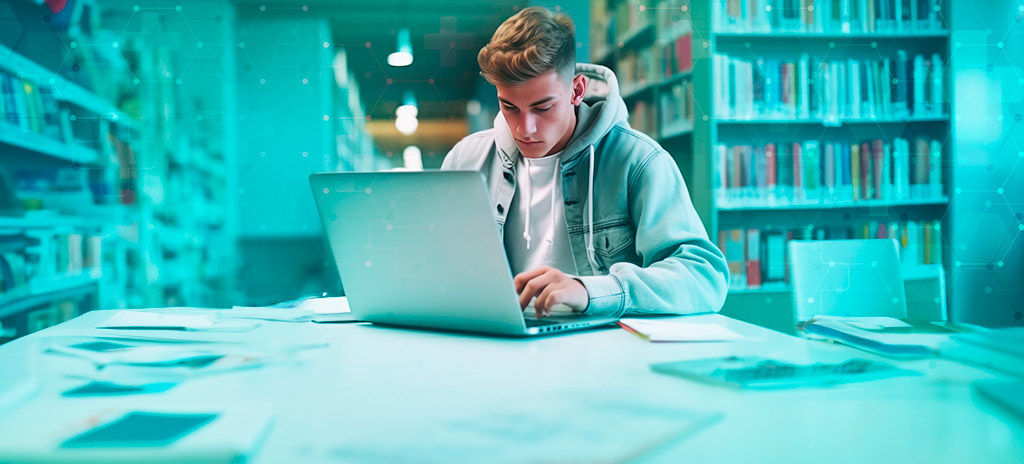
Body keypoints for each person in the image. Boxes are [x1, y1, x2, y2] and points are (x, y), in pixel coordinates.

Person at [441, 6, 729, 318]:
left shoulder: (639, 161)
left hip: (604, 352)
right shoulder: (466, 160)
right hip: (494, 344)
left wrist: (592, 290)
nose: (525, 128)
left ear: (577, 90)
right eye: (509, 107)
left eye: (543, 107)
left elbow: (704, 278)